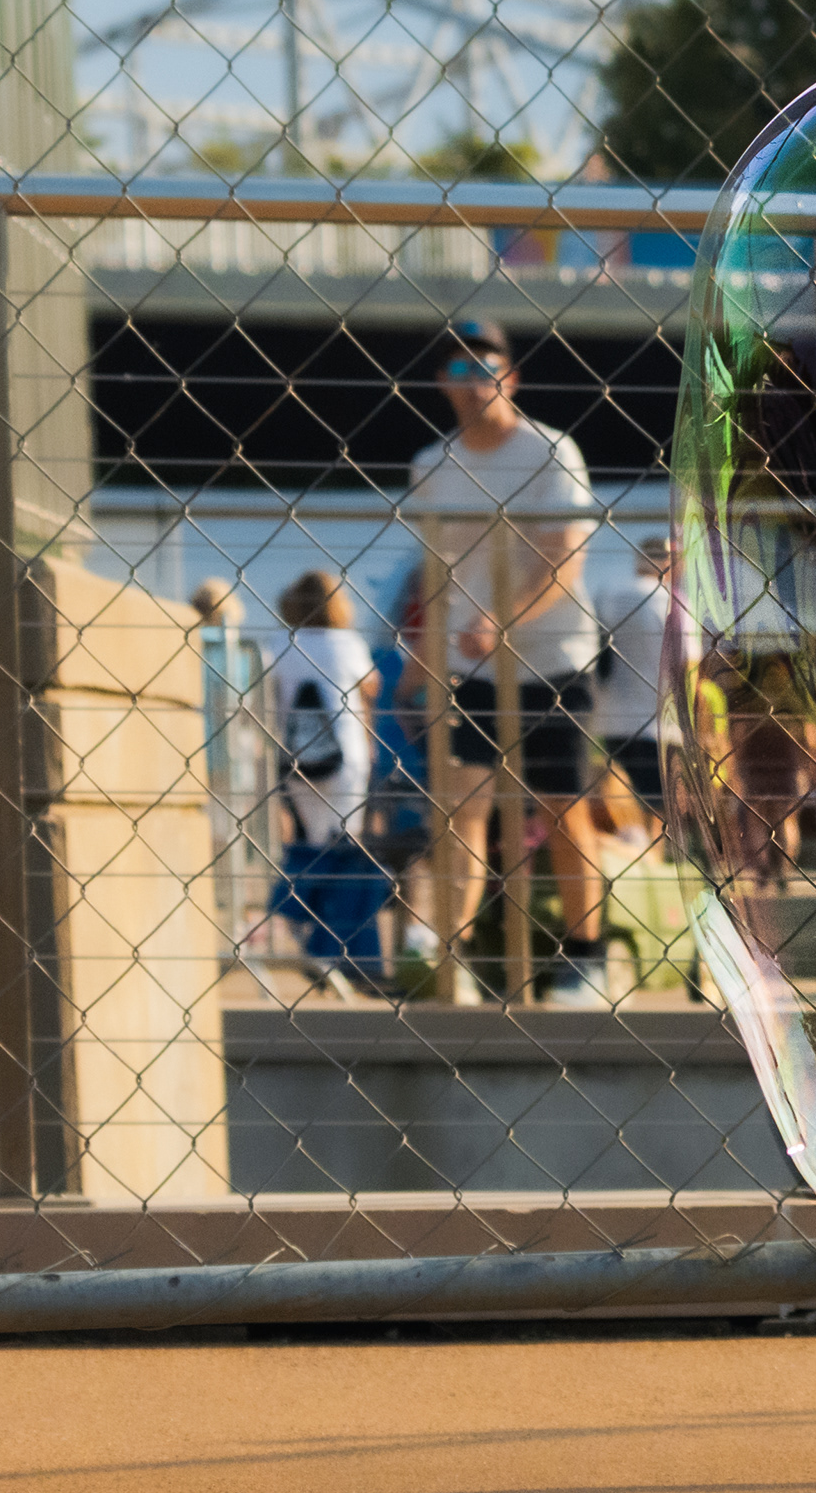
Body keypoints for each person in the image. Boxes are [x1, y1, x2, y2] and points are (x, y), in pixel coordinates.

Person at [408, 317, 610, 1005]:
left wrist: (502, 619)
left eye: (486, 367)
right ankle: (452, 957)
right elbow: (435, 570)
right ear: (441, 383)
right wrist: (423, 655)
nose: (473, 382)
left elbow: (565, 557)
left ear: (511, 378)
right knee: (462, 809)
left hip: (553, 660)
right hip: (470, 666)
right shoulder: (431, 465)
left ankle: (586, 958)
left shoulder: (551, 452)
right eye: (458, 369)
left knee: (561, 809)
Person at [263, 569, 390, 989]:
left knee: (311, 842)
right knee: (346, 849)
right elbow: (371, 689)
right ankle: (340, 950)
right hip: (346, 758)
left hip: (297, 758)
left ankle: (305, 928)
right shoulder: (348, 644)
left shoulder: (281, 644)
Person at [589, 531, 681, 821]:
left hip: (611, 720)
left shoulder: (608, 596)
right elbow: (688, 666)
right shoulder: (672, 602)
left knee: (623, 808)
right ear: (669, 562)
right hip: (658, 723)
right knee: (660, 810)